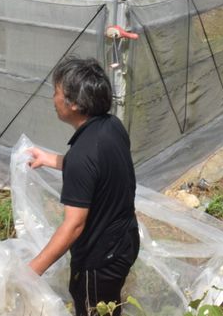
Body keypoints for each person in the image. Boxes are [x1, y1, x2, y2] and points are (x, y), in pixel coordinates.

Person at [27, 56, 139, 316]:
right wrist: (51, 159)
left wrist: (32, 271)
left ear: (74, 104)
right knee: (109, 306)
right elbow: (98, 169)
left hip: (99, 260)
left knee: (93, 309)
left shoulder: (82, 155)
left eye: (56, 92)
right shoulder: (111, 126)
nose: (53, 99)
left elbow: (74, 225)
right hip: (124, 241)